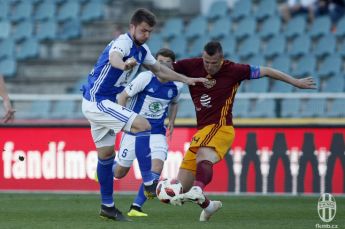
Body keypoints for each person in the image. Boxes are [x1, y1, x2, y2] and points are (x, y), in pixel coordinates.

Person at [169, 41, 316, 221]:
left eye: (213, 63)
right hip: (202, 131)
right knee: (180, 191)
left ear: (221, 59)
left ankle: (198, 189)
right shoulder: (191, 65)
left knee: (203, 156)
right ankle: (209, 206)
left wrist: (296, 82)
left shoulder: (235, 70)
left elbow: (267, 71)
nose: (208, 66)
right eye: (206, 61)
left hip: (221, 127)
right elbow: (165, 68)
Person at [81, 9, 206, 221]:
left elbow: (160, 70)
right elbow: (114, 57)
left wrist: (186, 79)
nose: (146, 34)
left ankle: (107, 207)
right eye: (143, 30)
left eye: (149, 31)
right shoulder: (123, 42)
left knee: (106, 157)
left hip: (101, 102)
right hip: (98, 101)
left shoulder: (143, 50)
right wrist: (123, 64)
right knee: (143, 124)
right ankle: (149, 181)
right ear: (132, 27)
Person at [114, 48, 182, 217]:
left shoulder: (177, 85)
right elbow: (122, 96)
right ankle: (103, 168)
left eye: (167, 63)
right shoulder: (145, 78)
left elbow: (174, 103)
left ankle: (136, 207)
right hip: (134, 131)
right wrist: (123, 119)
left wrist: (172, 121)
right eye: (159, 62)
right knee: (120, 172)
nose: (163, 66)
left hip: (157, 132)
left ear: (172, 66)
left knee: (157, 166)